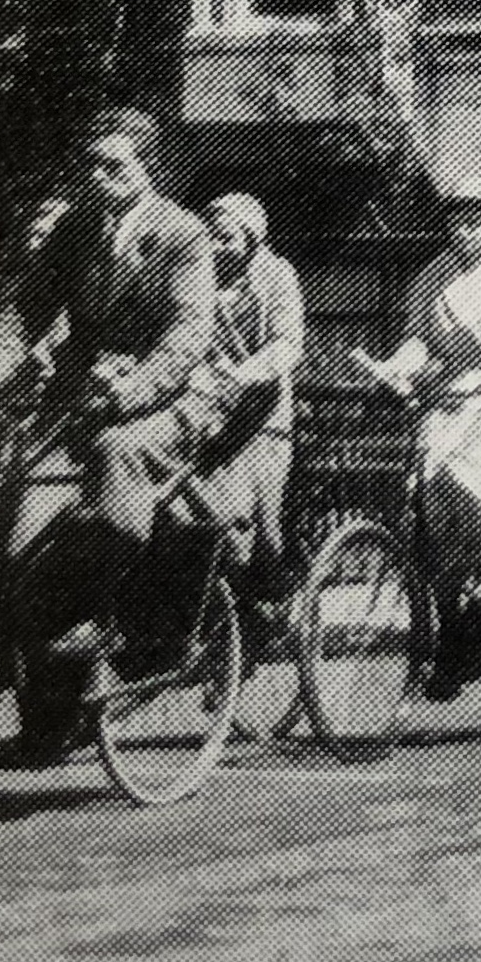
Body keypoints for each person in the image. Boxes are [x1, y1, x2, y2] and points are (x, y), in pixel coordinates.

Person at [0, 108, 222, 762]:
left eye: (113, 166)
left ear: (149, 171)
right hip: (81, 403)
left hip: (165, 401)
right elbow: (24, 314)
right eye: (90, 165)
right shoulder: (74, 230)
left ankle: (102, 613)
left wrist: (132, 389)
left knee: (119, 460)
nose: (97, 177)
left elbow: (186, 338)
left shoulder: (183, 235)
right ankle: (49, 721)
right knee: (14, 544)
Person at [369, 187, 481, 694]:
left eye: (473, 223)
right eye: (455, 223)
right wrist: (397, 368)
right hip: (449, 401)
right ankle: (453, 625)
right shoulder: (434, 275)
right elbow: (418, 340)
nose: (463, 232)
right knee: (429, 500)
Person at [187, 190, 308, 635]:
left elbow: (286, 342)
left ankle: (274, 594)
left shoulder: (278, 276)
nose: (217, 247)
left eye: (226, 237)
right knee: (207, 516)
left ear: (252, 238)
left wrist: (245, 373)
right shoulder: (199, 275)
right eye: (211, 236)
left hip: (262, 418)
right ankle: (218, 617)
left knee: (260, 524)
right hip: (209, 413)